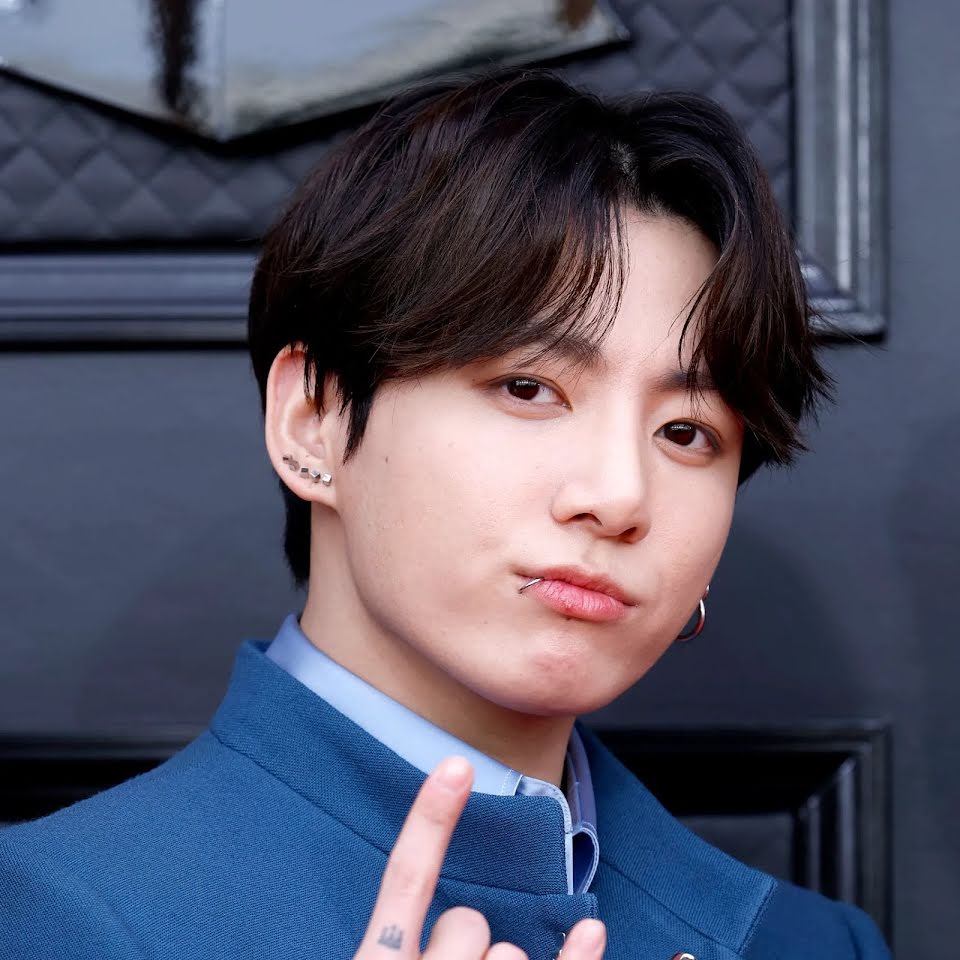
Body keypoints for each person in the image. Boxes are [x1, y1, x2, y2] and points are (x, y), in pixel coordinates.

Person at [0, 68, 892, 959]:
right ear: (313, 420)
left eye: (687, 433)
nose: (620, 496)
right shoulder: (56, 916)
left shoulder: (813, 945)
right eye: (528, 387)